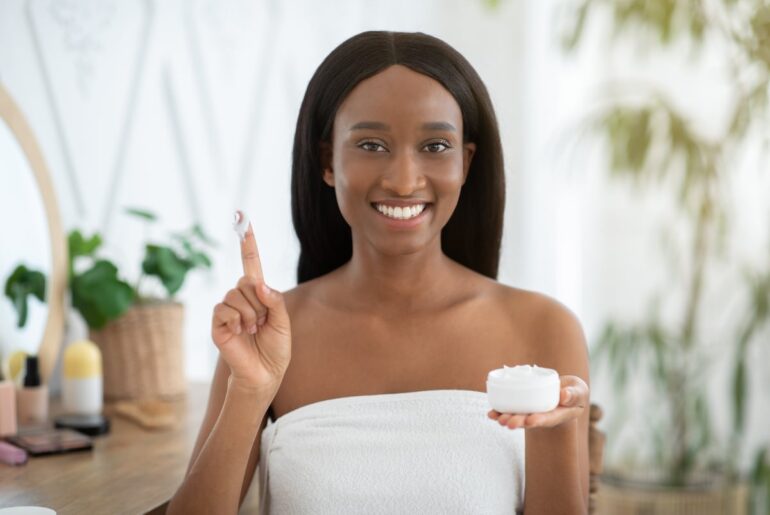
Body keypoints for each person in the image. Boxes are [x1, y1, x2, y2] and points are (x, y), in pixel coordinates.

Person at [167, 30, 590, 515]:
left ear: (466, 162)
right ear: (328, 161)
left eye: (434, 146)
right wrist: (250, 391)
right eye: (371, 144)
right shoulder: (267, 334)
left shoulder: (543, 328)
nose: (404, 180)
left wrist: (558, 431)